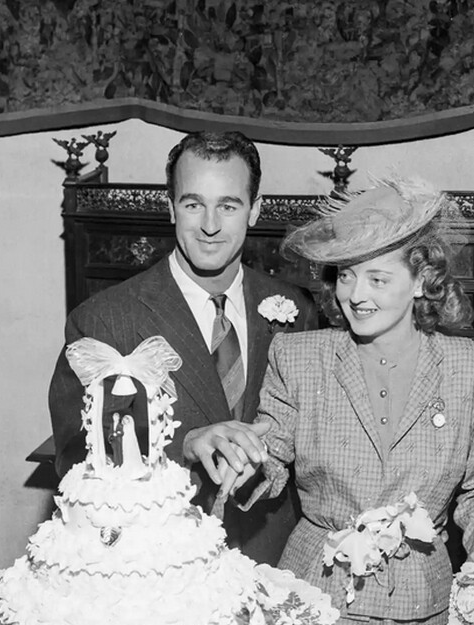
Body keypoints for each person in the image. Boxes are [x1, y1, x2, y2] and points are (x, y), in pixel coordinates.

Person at [211, 175, 474, 625]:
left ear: (421, 281)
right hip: (316, 589)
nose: (356, 295)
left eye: (378, 279)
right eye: (346, 276)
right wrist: (248, 461)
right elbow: (273, 452)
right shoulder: (299, 356)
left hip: (420, 602)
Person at [48, 130, 319, 565]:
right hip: (157, 564)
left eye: (228, 206)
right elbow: (75, 457)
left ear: (255, 210)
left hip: (272, 558)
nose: (210, 225)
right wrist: (181, 446)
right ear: (170, 206)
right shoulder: (103, 320)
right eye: (193, 204)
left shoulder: (296, 308)